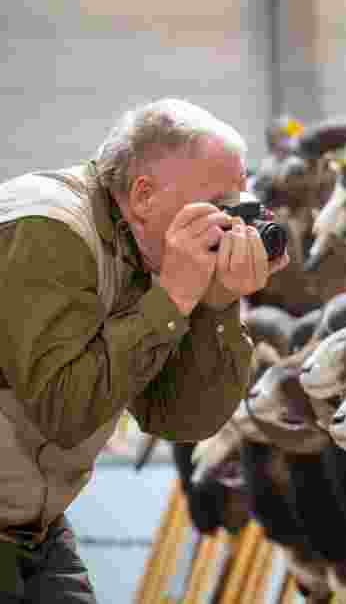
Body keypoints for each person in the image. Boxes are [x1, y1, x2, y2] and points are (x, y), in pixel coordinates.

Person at [0, 98, 289, 602]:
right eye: (219, 207)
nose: (233, 226)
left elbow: (179, 419)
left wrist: (216, 306)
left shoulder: (144, 246)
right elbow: (64, 410)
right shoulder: (48, 230)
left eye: (239, 208)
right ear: (143, 194)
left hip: (33, 529)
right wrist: (174, 296)